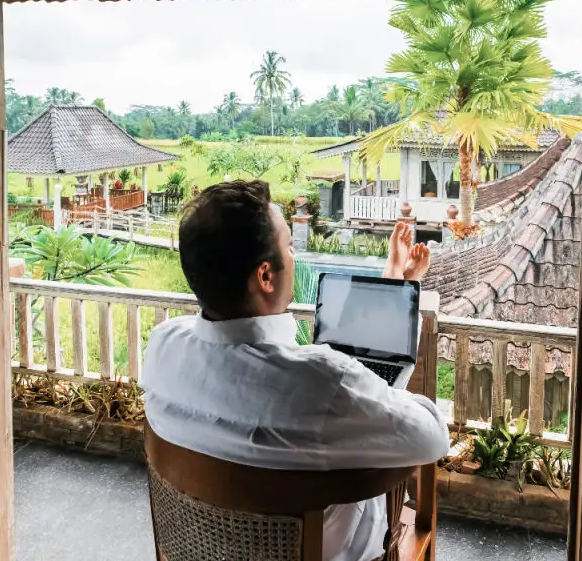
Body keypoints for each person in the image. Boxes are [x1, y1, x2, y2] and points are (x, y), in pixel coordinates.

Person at [143, 181, 446, 561]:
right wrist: (382, 391)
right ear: (266, 276)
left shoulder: (164, 345)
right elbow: (432, 437)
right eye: (289, 245)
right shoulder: (321, 385)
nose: (293, 253)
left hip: (201, 550)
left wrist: (396, 280)